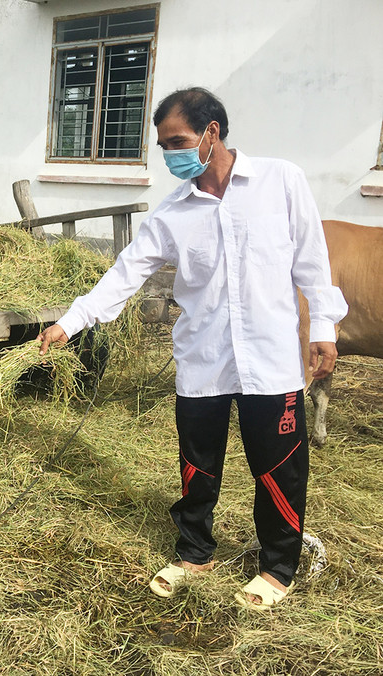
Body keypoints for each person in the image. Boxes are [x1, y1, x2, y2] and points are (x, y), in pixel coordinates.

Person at [38, 87, 347, 610]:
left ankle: (278, 567)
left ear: (212, 132)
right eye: (163, 146)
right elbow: (126, 272)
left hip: (271, 359)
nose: (170, 155)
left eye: (178, 141)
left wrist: (325, 327)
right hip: (204, 360)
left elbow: (312, 262)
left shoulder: (280, 181)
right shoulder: (172, 213)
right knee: (198, 464)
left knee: (278, 465)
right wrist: (71, 322)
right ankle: (195, 553)